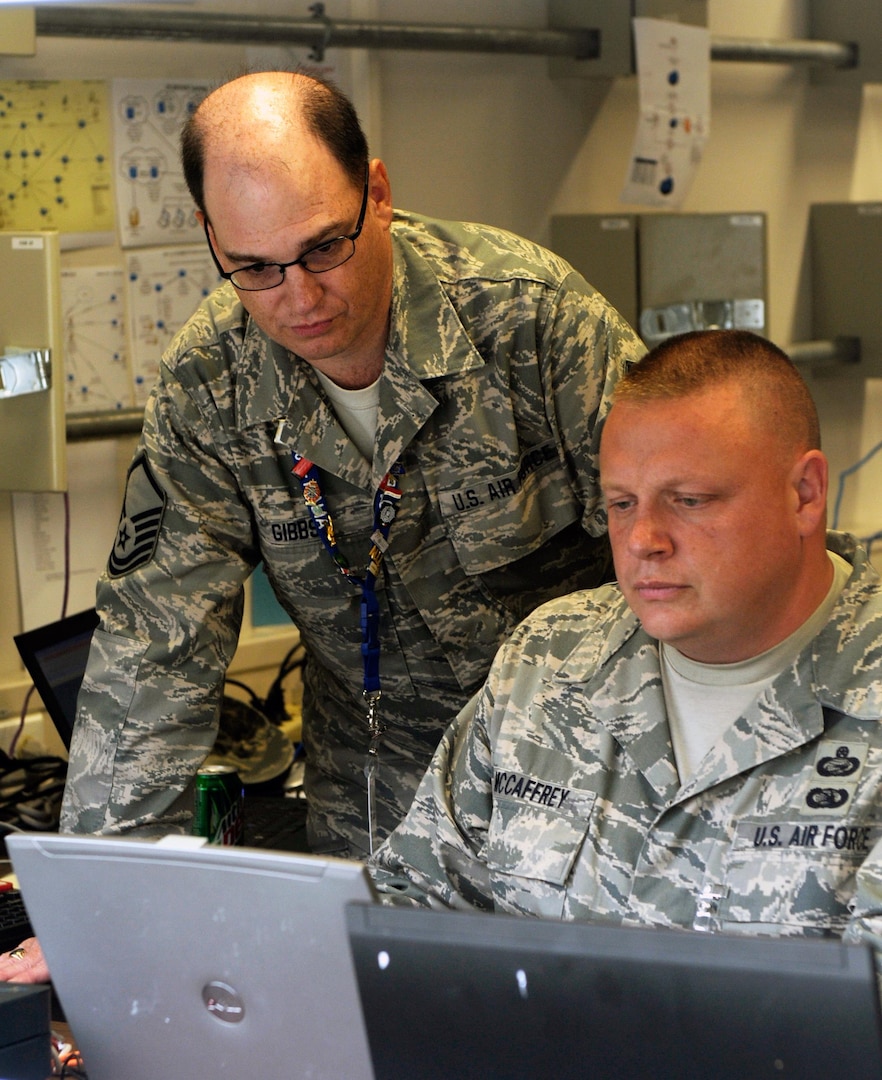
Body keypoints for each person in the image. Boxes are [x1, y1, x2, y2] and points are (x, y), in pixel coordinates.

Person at [54, 68, 642, 865]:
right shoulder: (210, 383)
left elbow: (675, 549)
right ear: (210, 235)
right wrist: (103, 890)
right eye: (255, 266)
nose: (300, 296)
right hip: (376, 790)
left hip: (574, 771)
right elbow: (154, 646)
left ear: (379, 192)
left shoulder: (531, 320)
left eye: (324, 246)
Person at [370, 328, 882, 950]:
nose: (643, 539)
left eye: (689, 500)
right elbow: (407, 905)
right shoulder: (550, 660)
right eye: (621, 504)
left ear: (805, 495)